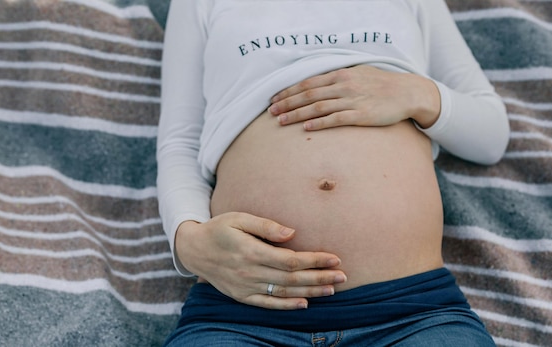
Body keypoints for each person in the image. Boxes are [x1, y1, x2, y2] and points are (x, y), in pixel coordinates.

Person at [157, 0, 510, 345]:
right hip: (240, 314)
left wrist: (418, 93)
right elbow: (180, 143)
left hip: (413, 312)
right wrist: (188, 242)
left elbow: (491, 134)